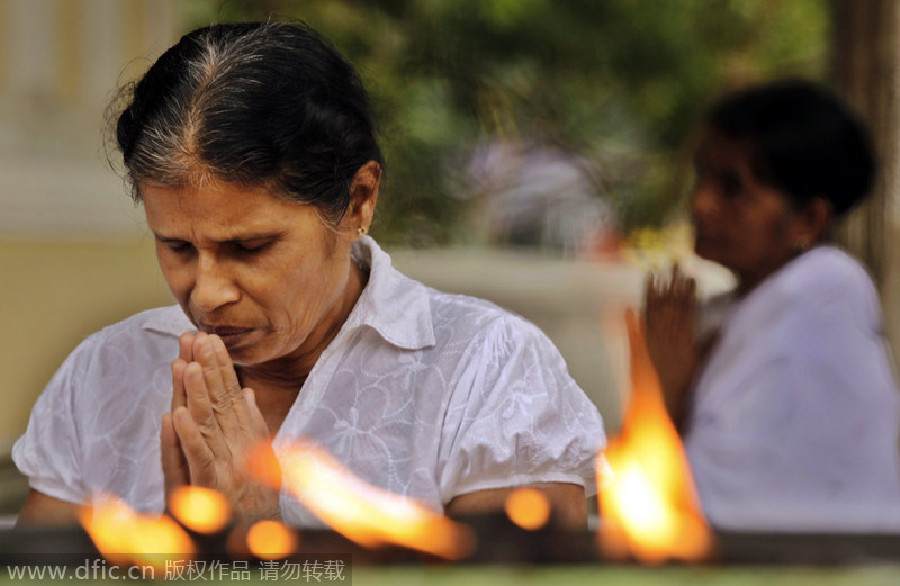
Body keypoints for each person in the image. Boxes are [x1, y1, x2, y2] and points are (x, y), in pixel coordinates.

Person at [12, 21, 605, 528]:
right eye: (177, 248)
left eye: (249, 246)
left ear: (357, 202)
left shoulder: (487, 374)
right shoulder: (107, 373)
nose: (208, 294)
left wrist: (261, 548)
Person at [644, 79, 900, 529]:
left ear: (808, 218)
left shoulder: (822, 296)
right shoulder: (725, 312)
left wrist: (668, 396)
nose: (700, 204)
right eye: (702, 177)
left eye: (732, 188)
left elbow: (716, 505)